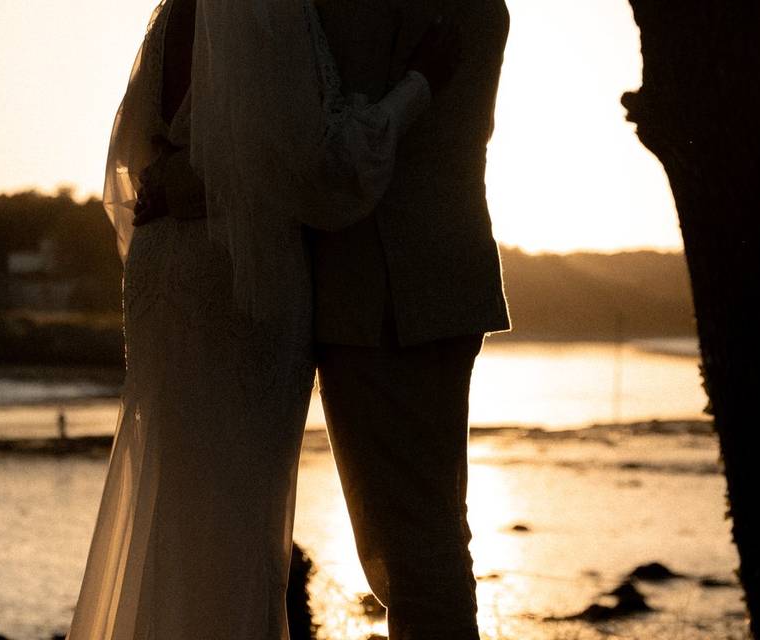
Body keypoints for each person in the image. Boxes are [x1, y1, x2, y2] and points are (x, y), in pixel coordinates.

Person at [65, 0, 459, 637]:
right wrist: (416, 89)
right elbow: (325, 168)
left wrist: (192, 177)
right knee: (238, 525)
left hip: (166, 266)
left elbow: (145, 154)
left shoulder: (176, 11)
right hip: (236, 284)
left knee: (178, 513)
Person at [309, 0, 513, 638]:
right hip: (443, 286)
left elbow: (342, 140)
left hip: (382, 294)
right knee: (435, 528)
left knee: (412, 543)